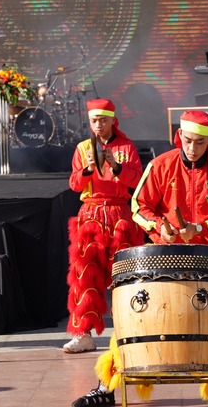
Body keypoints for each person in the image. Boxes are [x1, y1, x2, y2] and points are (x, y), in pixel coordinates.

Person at [76, 108, 208, 407]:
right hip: (163, 254)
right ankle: (106, 386)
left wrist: (200, 228)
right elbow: (139, 206)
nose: (192, 148)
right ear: (179, 137)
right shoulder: (160, 165)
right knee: (132, 321)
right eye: (187, 141)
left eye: (199, 143)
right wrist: (157, 225)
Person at [61, 98, 145, 354]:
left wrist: (115, 165)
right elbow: (74, 185)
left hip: (119, 213)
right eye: (94, 120)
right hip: (91, 214)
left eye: (103, 120)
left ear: (112, 120)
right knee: (84, 275)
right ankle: (83, 334)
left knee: (125, 276)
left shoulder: (126, 147)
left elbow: (136, 181)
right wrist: (87, 169)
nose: (99, 125)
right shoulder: (82, 148)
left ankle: (129, 330)